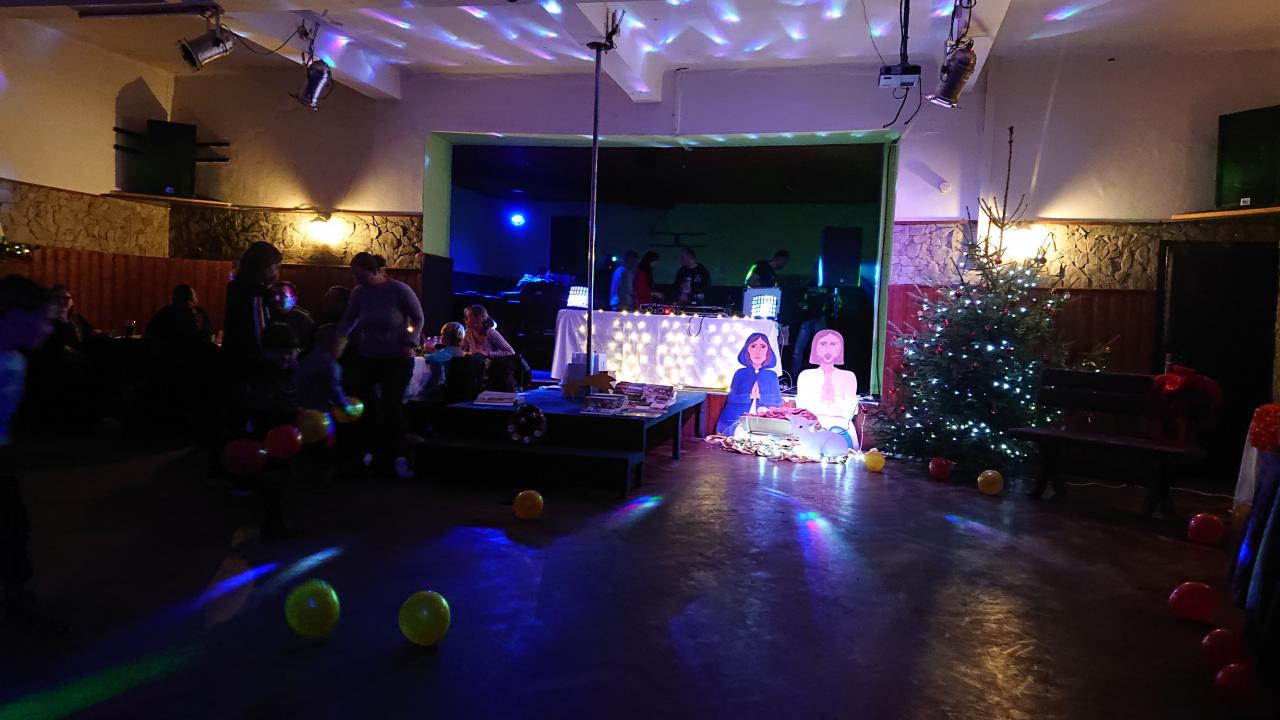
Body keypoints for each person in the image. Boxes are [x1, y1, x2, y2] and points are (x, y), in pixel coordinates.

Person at [0, 276, 54, 623]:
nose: (48, 328)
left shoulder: (17, 360)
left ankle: (17, 595)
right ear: (17, 316)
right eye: (43, 319)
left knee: (14, 526)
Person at [338, 252, 423, 470]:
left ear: (376, 271)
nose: (358, 281)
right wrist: (337, 343)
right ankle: (373, 449)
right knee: (364, 400)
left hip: (397, 358)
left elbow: (418, 318)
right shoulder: (359, 293)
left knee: (391, 404)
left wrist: (410, 343)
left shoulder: (400, 290)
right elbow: (348, 320)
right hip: (369, 356)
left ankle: (402, 451)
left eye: (361, 276)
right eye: (355, 276)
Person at [223, 242, 283, 373]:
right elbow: (259, 329)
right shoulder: (254, 293)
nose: (277, 273)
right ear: (263, 267)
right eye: (276, 267)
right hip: (250, 364)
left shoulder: (237, 286)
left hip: (235, 360)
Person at [795, 329, 859, 445]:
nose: (828, 349)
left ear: (839, 349)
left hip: (842, 428)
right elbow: (803, 407)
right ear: (816, 348)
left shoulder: (848, 377)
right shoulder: (806, 376)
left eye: (833, 344)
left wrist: (833, 401)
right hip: (811, 426)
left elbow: (851, 409)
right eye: (823, 344)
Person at [715, 332, 783, 435]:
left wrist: (761, 397)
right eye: (753, 346)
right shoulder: (740, 373)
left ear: (768, 350)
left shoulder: (771, 375)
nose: (758, 351)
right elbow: (731, 398)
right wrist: (749, 396)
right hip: (738, 416)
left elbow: (778, 400)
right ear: (747, 349)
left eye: (763, 346)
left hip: (764, 418)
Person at [297, 324, 350, 412]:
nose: (342, 352)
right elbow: (335, 388)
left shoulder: (306, 359)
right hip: (322, 410)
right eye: (342, 349)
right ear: (336, 345)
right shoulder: (332, 366)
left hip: (303, 407)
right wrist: (346, 405)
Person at [145, 284, 213, 345]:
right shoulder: (199, 314)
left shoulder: (164, 313)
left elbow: (149, 335)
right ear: (193, 299)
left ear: (173, 298)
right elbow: (207, 336)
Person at [47, 285, 96, 351]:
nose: (61, 301)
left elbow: (93, 331)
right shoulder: (48, 323)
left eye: (66, 298)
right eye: (57, 298)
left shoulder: (77, 318)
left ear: (72, 301)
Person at [268, 281, 315, 348]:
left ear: (294, 300)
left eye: (282, 294)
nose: (275, 298)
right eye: (273, 294)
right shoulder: (266, 315)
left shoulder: (303, 320)